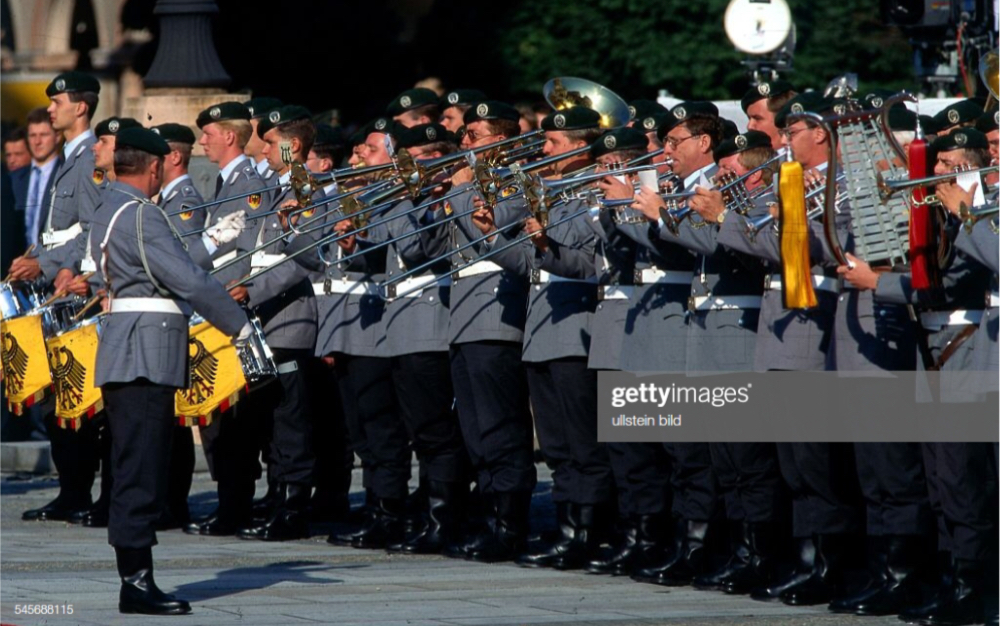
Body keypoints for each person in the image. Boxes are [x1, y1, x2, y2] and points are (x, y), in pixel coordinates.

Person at [91, 126, 249, 615]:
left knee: (136, 463)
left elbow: (169, 265)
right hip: (144, 351)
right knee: (140, 468)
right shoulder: (141, 213)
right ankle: (135, 583)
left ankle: (137, 577)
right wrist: (238, 326)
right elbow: (185, 279)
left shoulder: (113, 206)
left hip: (131, 347)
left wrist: (215, 241)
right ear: (156, 166)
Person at [152, 122, 206, 235]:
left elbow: (188, 249)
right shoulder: (170, 198)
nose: (149, 161)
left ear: (175, 157)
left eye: (156, 155)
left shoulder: (185, 202)